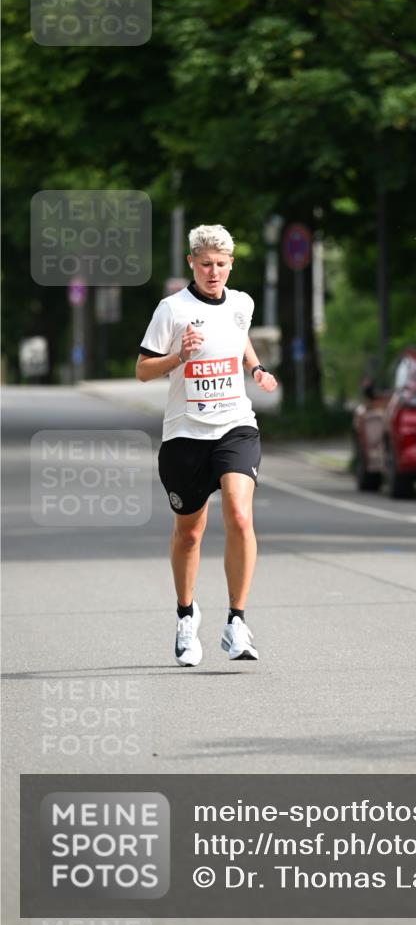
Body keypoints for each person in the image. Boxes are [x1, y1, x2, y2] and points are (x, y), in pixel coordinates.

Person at [136, 224, 278, 668]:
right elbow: (142, 370)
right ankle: (185, 615)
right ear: (191, 265)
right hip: (185, 435)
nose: (213, 272)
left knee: (239, 513)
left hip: (235, 425)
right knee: (189, 532)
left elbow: (241, 338)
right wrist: (180, 355)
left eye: (220, 264)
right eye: (205, 265)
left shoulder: (242, 303)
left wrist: (256, 369)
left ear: (231, 264)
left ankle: (236, 621)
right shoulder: (172, 310)